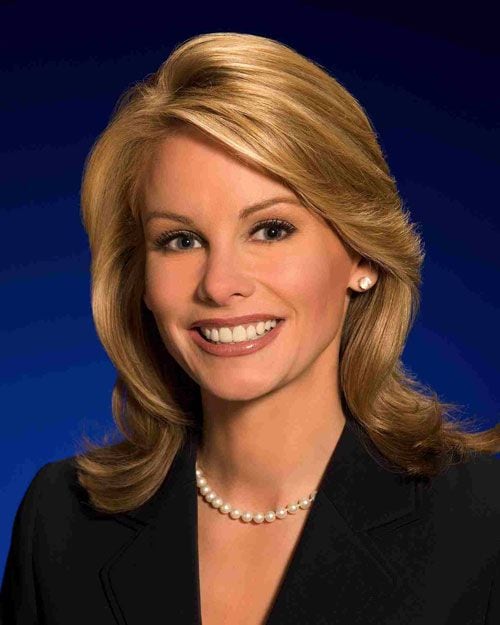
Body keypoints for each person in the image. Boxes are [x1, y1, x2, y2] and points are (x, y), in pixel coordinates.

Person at [1, 31, 499, 625]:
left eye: (270, 230)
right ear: (140, 280)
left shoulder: (485, 521)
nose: (220, 284)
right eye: (180, 240)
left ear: (362, 253)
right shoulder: (60, 521)